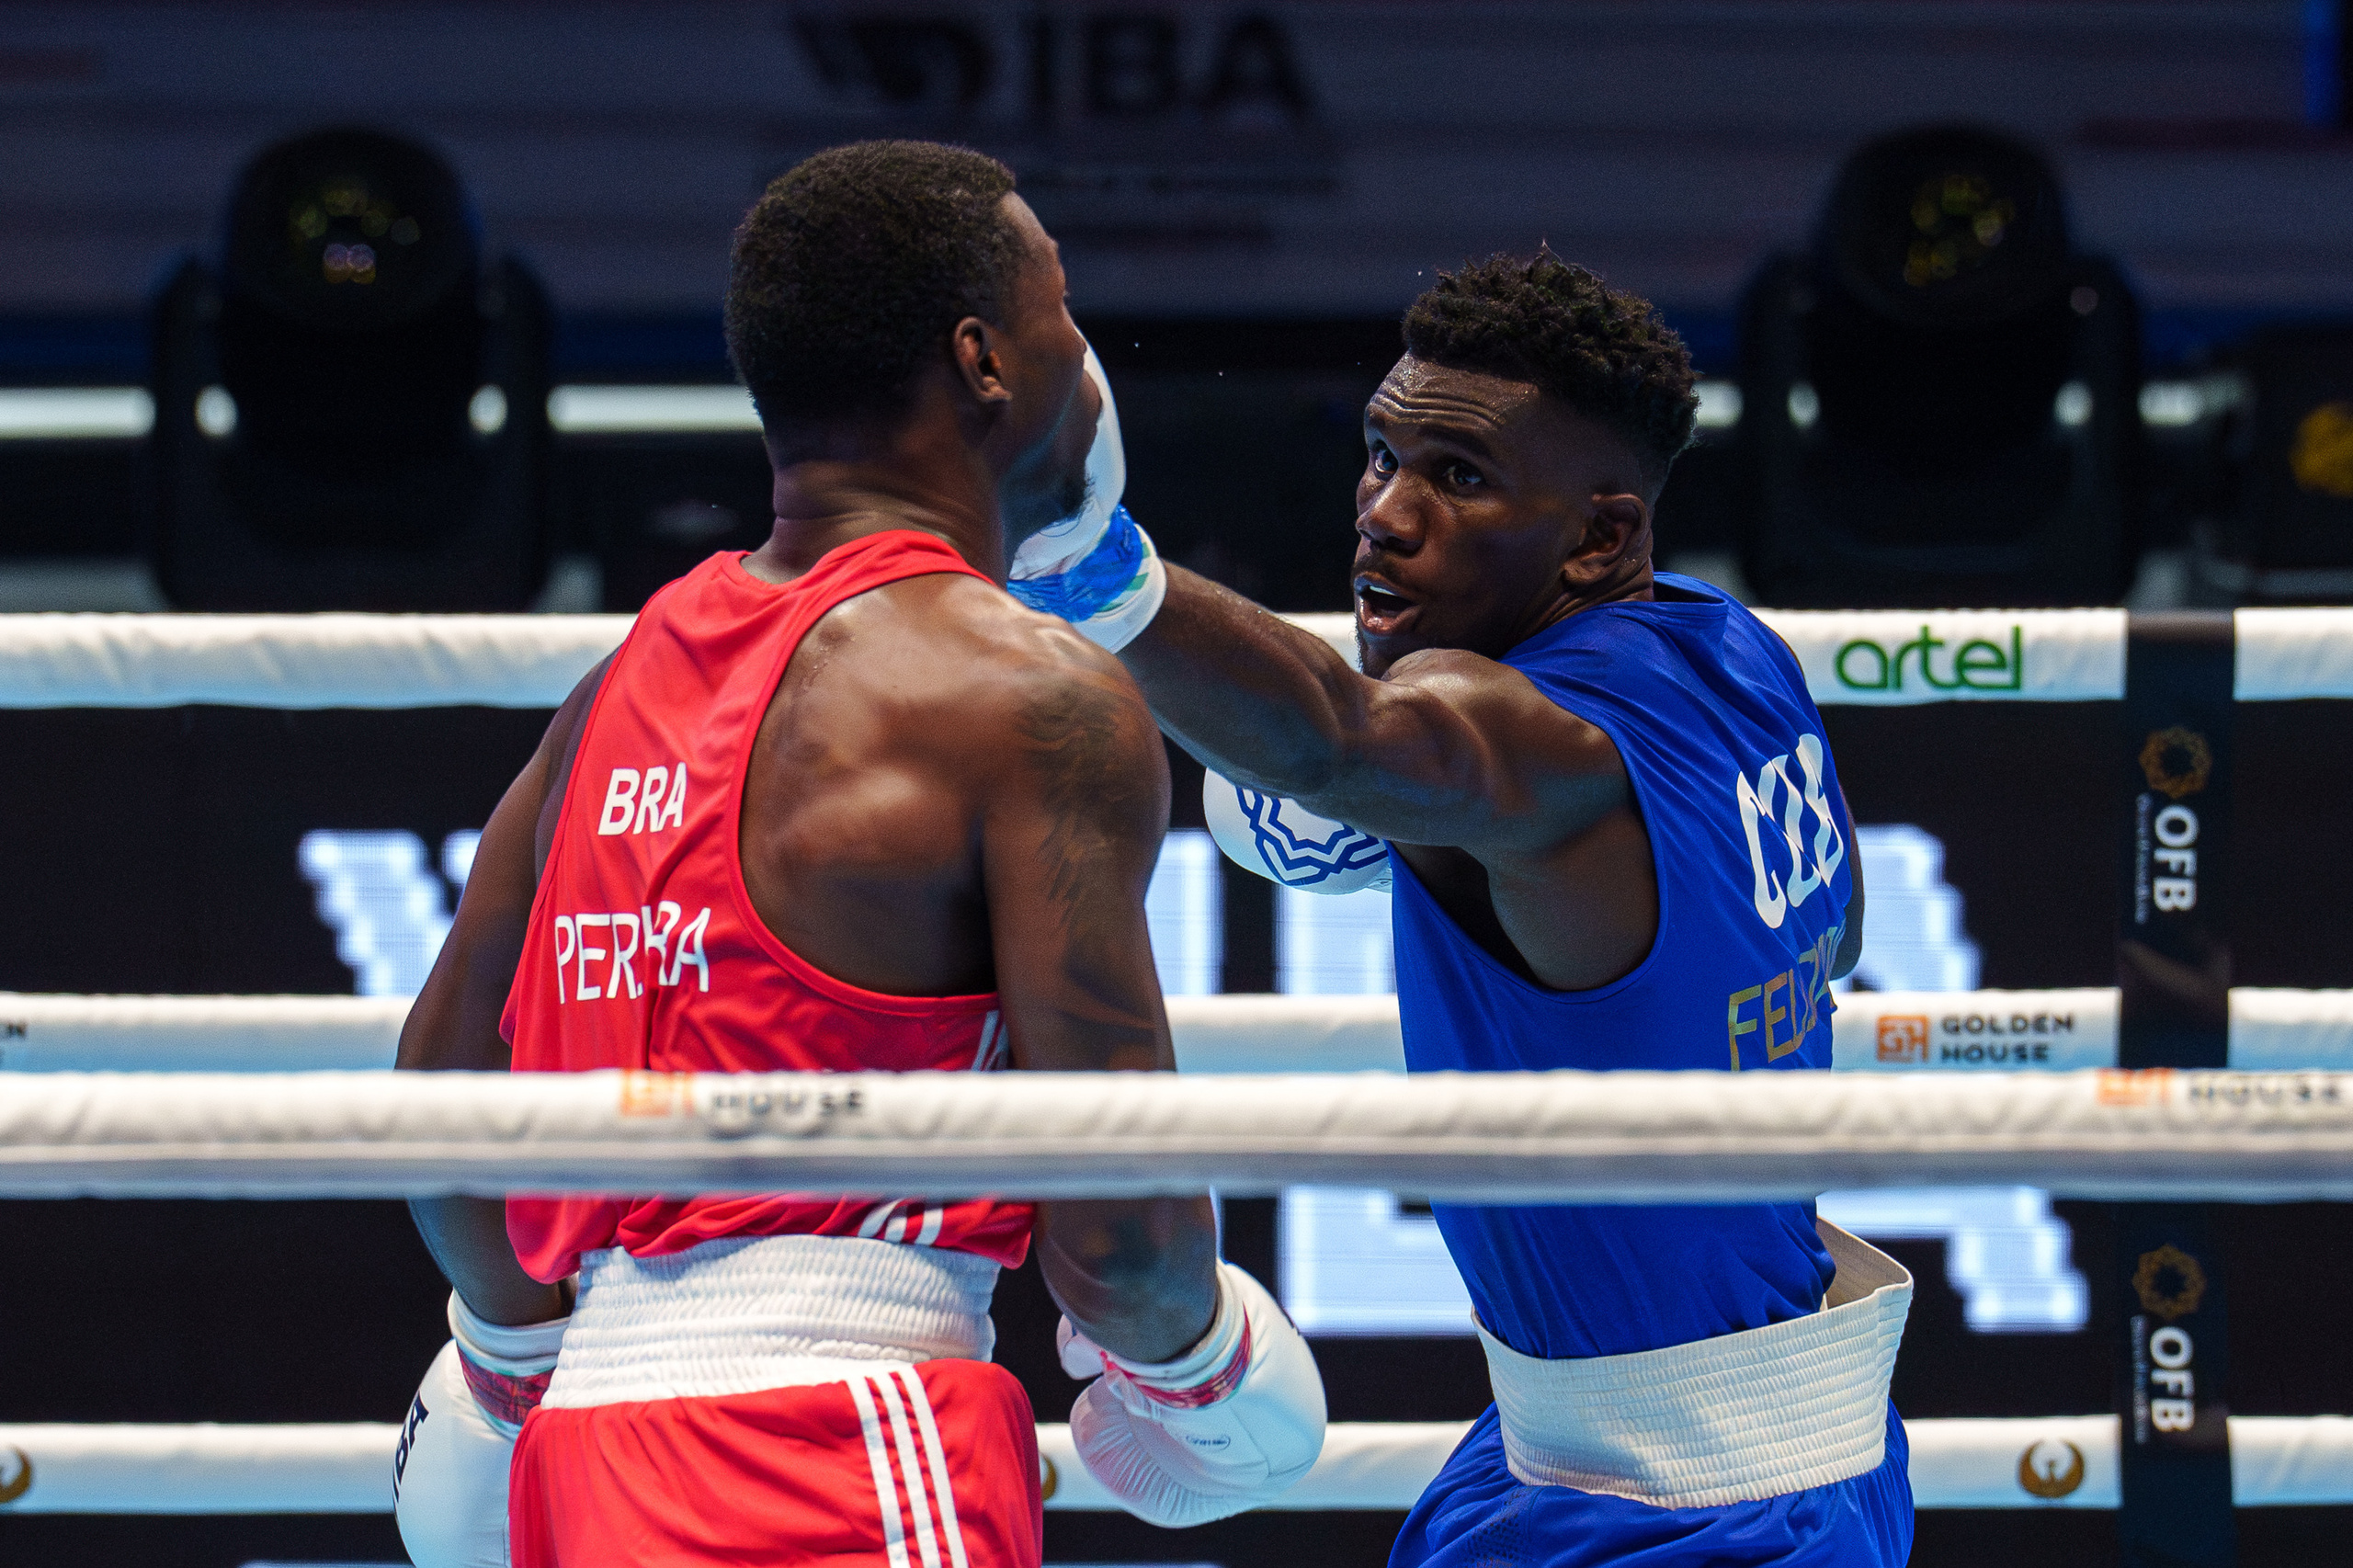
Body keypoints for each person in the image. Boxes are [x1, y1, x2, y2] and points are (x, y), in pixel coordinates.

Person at [388, 140, 1324, 1568]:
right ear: (983, 361)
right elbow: (1121, 1231)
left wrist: (512, 1365)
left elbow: (443, 1107)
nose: (1086, 357)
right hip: (841, 1455)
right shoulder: (1031, 695)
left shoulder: (615, 690)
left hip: (584, 1467)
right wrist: (1201, 1370)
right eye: (1060, 310)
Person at [1008, 250, 1914, 1567]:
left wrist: (1087, 562)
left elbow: (1334, 743)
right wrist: (1499, 856)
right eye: (1382, 453)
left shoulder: (1521, 739)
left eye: (1461, 477)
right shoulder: (1734, 652)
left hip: (1672, 1505)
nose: (1385, 512)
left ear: (1601, 535)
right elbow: (1833, 931)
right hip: (1735, 1434)